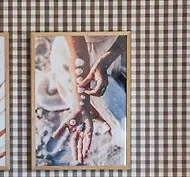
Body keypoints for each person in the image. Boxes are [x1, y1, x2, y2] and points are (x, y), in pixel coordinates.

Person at [40, 35, 127, 164]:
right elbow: (79, 57)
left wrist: (107, 59)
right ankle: (98, 112)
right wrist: (81, 105)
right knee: (125, 124)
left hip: (118, 51)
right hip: (82, 65)